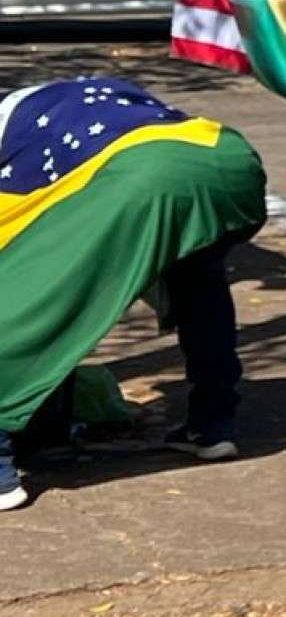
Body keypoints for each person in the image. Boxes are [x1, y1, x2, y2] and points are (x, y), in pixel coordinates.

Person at [0, 79, 267, 512]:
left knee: (22, 299)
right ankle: (213, 426)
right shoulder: (77, 93)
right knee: (200, 288)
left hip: (140, 177)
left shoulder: (13, 148)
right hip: (228, 162)